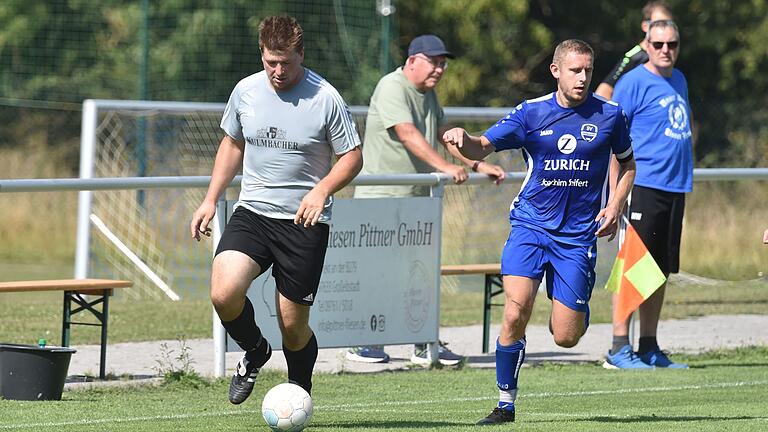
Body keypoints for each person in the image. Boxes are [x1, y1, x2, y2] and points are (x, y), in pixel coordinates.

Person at [442, 39, 636, 425]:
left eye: (588, 71)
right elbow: (481, 146)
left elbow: (627, 164)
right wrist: (463, 140)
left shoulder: (610, 115)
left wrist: (614, 206)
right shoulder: (531, 114)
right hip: (530, 225)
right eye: (575, 70)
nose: (582, 78)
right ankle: (505, 404)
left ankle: (573, 306)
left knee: (566, 336)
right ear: (556, 71)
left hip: (578, 236)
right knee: (514, 311)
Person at [190, 15, 362, 404]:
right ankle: (254, 351)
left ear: (301, 54)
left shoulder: (325, 98)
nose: (278, 71)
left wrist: (321, 191)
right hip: (253, 212)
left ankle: (299, 391)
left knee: (292, 325)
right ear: (262, 54)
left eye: (286, 62)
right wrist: (210, 199)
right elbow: (232, 144)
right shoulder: (246, 91)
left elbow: (352, 157)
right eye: (271, 61)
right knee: (223, 292)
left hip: (304, 222)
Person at [346, 34, 506, 366]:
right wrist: (445, 167)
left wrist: (476, 164)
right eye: (433, 62)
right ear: (412, 61)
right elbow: (407, 133)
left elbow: (443, 132)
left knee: (417, 272)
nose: (440, 69)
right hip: (382, 197)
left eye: (443, 63)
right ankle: (362, 341)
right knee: (379, 273)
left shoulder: (428, 94)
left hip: (417, 200)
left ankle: (423, 342)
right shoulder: (392, 86)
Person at [603, 19, 693, 370]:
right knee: (632, 268)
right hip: (643, 186)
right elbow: (615, 141)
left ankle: (649, 345)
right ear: (647, 46)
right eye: (658, 45)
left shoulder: (680, 79)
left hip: (674, 187)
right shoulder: (633, 82)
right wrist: (616, 196)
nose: (666, 50)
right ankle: (618, 346)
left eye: (672, 44)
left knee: (659, 270)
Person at [595, 1, 674, 100]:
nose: (664, 28)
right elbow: (603, 91)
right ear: (645, 26)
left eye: (669, 24)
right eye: (658, 24)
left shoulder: (670, 51)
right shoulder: (634, 56)